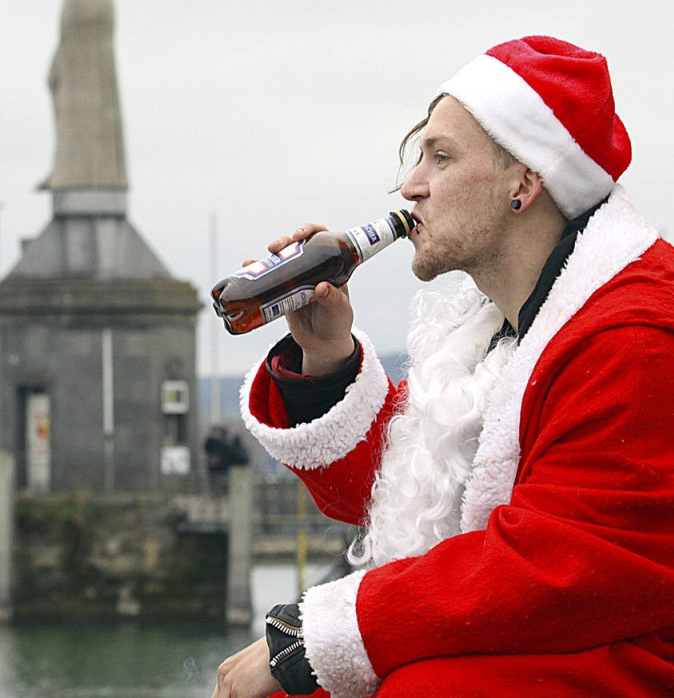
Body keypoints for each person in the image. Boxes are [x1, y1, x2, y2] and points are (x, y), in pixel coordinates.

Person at [213, 36, 674, 697]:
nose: (409, 186)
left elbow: (555, 569)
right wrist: (327, 355)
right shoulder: (495, 327)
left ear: (524, 183)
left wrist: (309, 641)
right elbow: (400, 491)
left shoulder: (637, 336)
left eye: (441, 157)